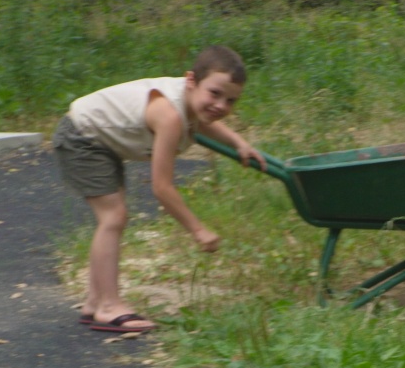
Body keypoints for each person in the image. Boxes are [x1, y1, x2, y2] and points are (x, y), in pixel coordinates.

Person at [53, 45, 265, 333]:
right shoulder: (169, 116)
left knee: (113, 217)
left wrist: (238, 143)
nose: (221, 106)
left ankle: (95, 302)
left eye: (231, 101)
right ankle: (108, 306)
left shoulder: (188, 103)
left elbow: (203, 123)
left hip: (100, 140)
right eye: (215, 94)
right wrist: (197, 230)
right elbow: (162, 188)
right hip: (82, 137)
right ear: (191, 80)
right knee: (113, 217)